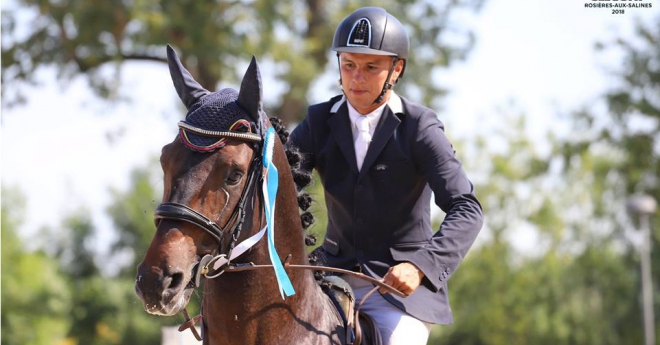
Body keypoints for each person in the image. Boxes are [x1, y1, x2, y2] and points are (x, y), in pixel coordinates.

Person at [287, 7, 483, 345]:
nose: (356, 78)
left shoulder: (420, 128)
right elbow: (276, 187)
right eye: (348, 65)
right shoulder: (318, 121)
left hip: (400, 290)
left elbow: (467, 209)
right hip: (330, 278)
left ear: (396, 69)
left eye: (370, 67)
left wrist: (421, 266)